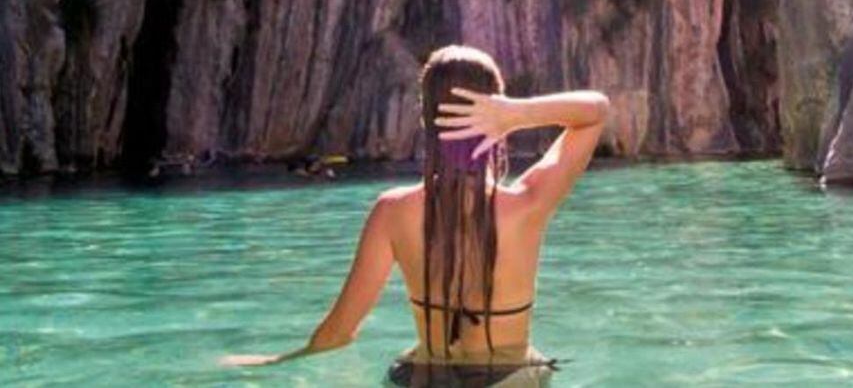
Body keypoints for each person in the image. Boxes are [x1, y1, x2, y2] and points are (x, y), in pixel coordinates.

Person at [220, 44, 610, 385]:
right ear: (497, 113)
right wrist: (517, 114)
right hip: (509, 379)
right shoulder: (528, 205)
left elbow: (338, 333)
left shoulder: (392, 211)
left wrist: (277, 362)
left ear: (426, 120)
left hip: (421, 377)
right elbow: (595, 110)